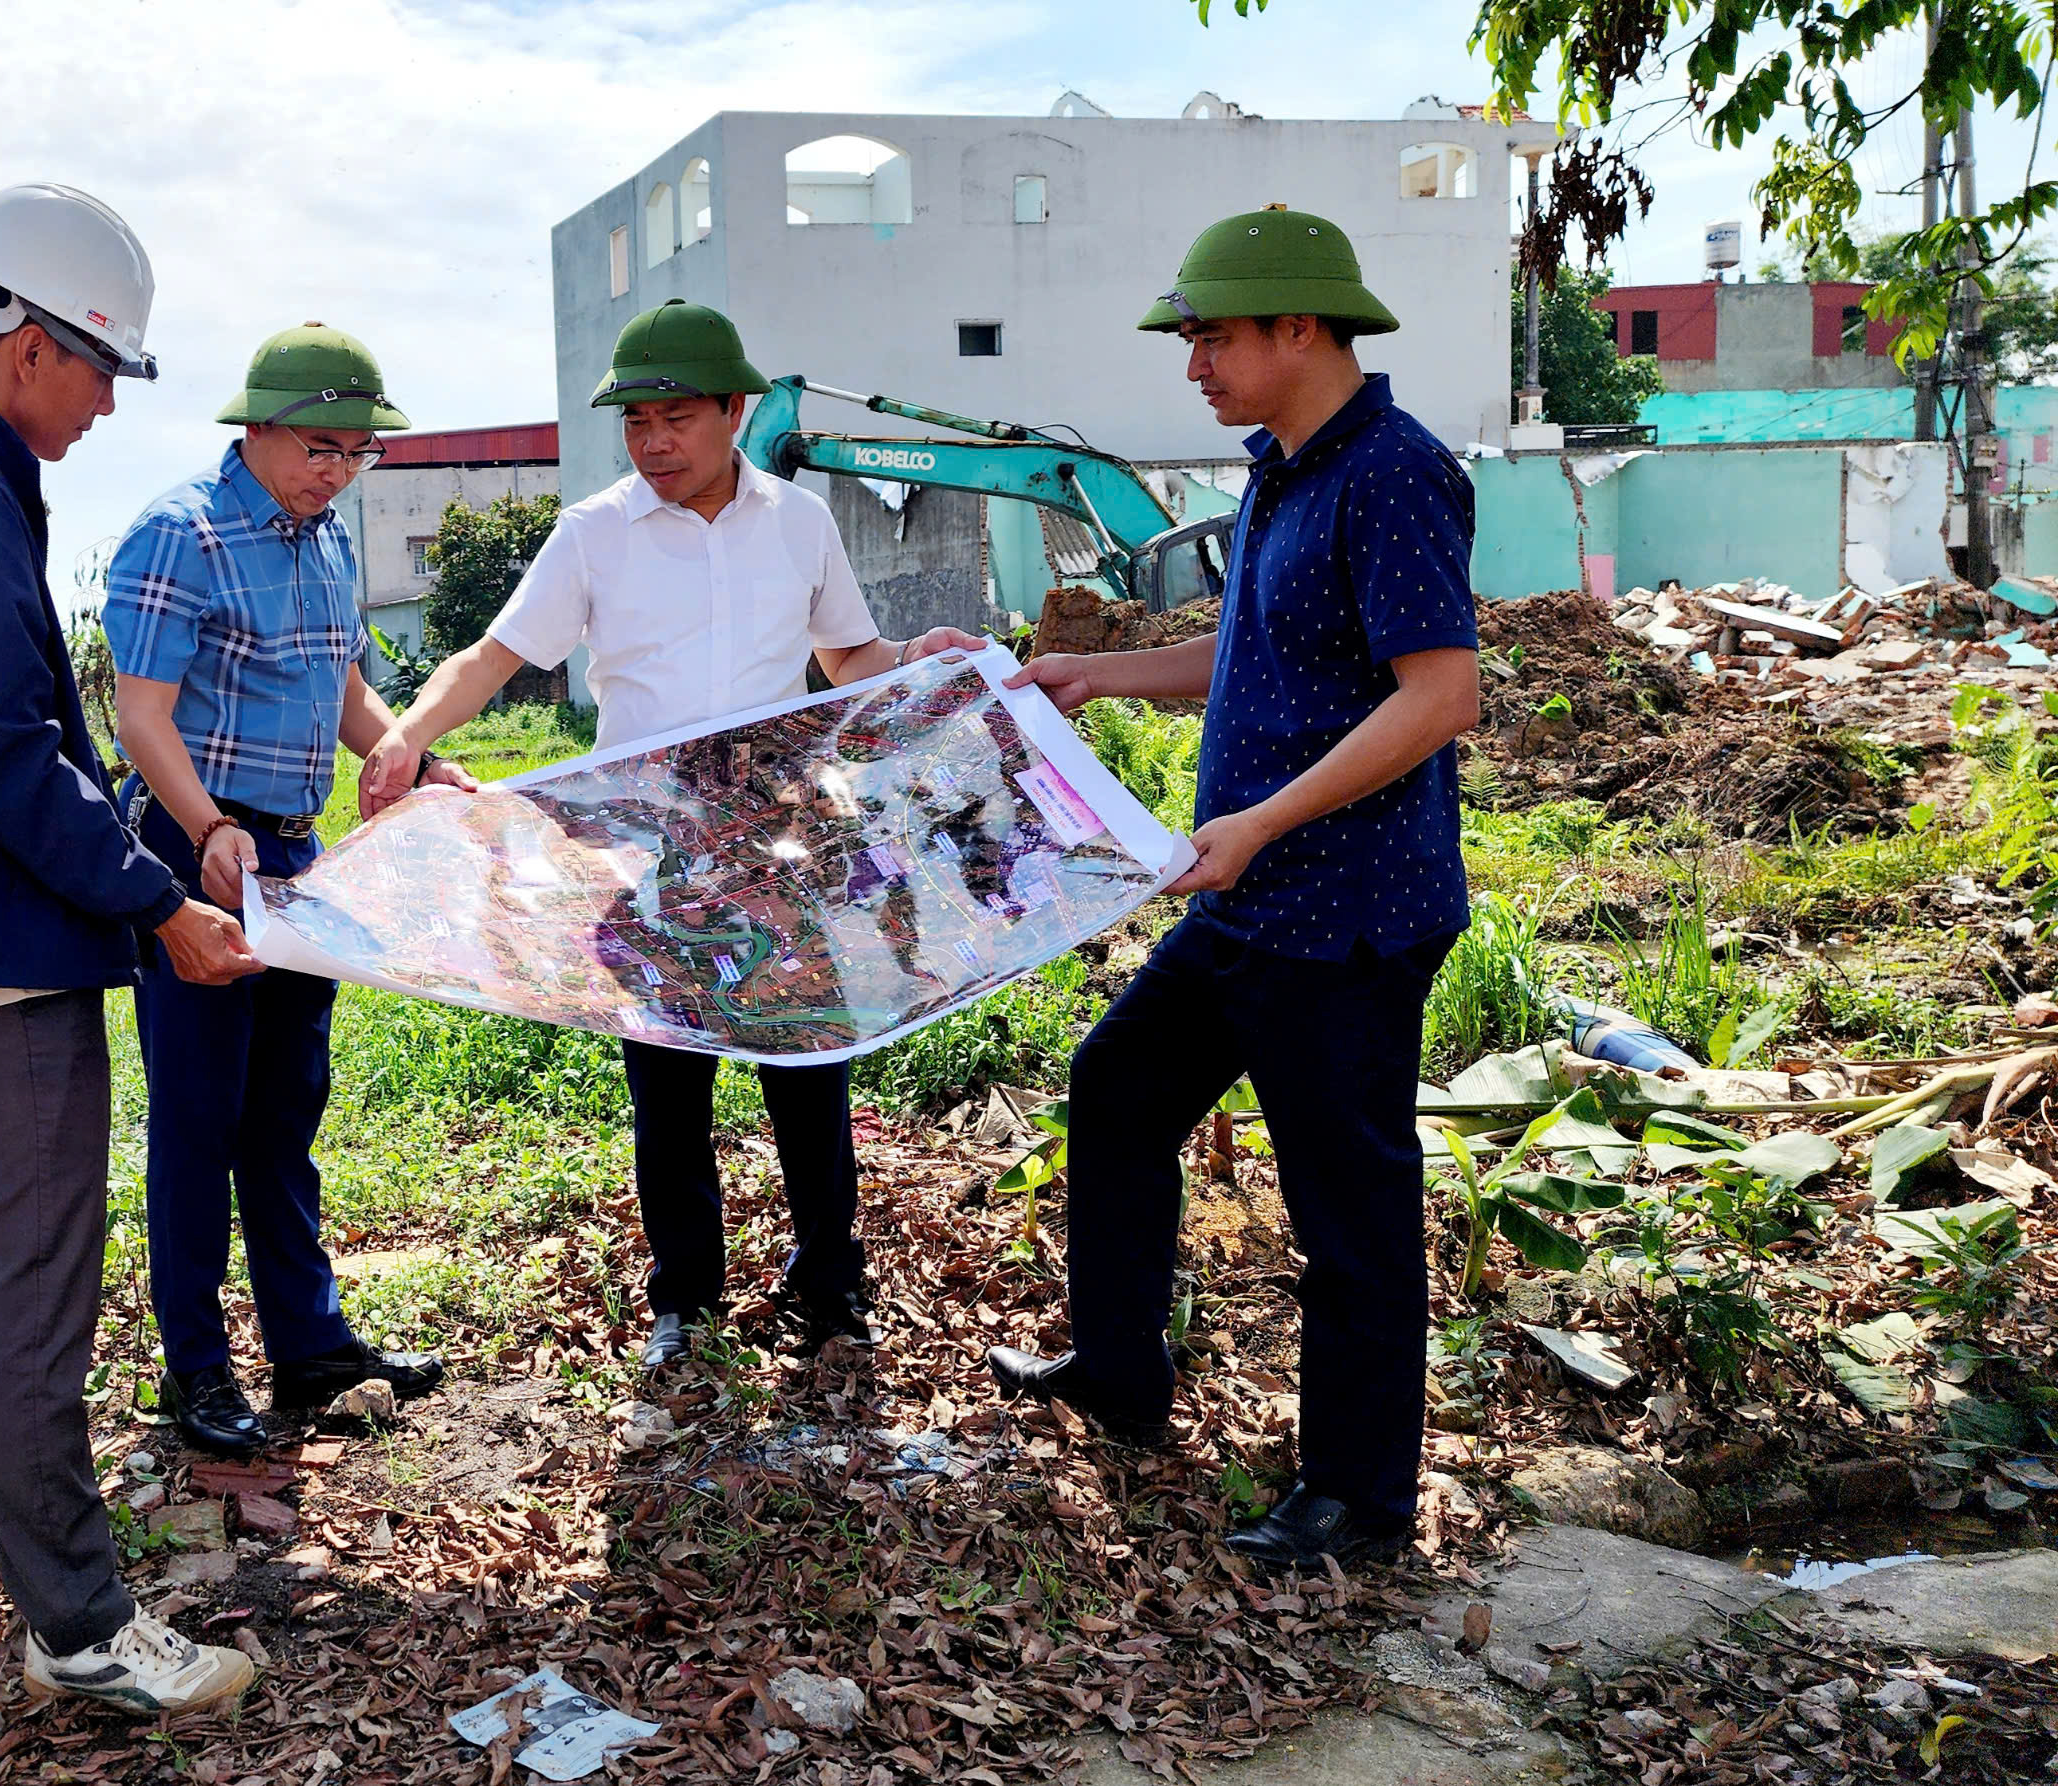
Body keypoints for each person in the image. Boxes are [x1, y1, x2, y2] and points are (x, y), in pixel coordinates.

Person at [985, 207, 1482, 1573]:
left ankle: (1360, 1501)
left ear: (1301, 330)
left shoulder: (1394, 475)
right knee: (1120, 1087)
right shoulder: (1282, 468)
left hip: (1351, 913)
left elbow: (1441, 693)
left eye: (1213, 335)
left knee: (1349, 1209)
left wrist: (1259, 817)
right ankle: (1121, 1373)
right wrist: (1102, 671)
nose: (1194, 361)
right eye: (1193, 336)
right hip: (1250, 896)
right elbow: (1258, 646)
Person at [358, 299, 983, 1370]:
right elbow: (495, 657)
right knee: (668, 1082)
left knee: (806, 1063)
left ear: (736, 410)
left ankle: (829, 1284)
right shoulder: (595, 533)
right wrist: (407, 735)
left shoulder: (799, 523)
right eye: (636, 421)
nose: (652, 442)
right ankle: (684, 1297)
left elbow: (848, 662)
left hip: (779, 835)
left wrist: (920, 662)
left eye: (677, 417)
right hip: (646, 848)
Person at [0, 184, 260, 1710]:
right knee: (37, 1283)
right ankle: (79, 1622)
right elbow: (12, 758)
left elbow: (14, 749)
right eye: (102, 372)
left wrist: (144, 872)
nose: (101, 405)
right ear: (34, 342)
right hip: (6, 937)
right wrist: (155, 902)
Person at [104, 324, 467, 1458]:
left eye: (357, 452)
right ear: (253, 427)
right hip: (195, 849)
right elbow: (141, 717)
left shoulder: (325, 545)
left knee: (285, 1110)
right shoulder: (183, 536)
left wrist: (404, 753)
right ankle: (197, 1373)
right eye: (320, 445)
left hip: (297, 861)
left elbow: (346, 688)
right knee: (198, 1120)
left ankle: (308, 1346)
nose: (337, 468)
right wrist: (207, 827)